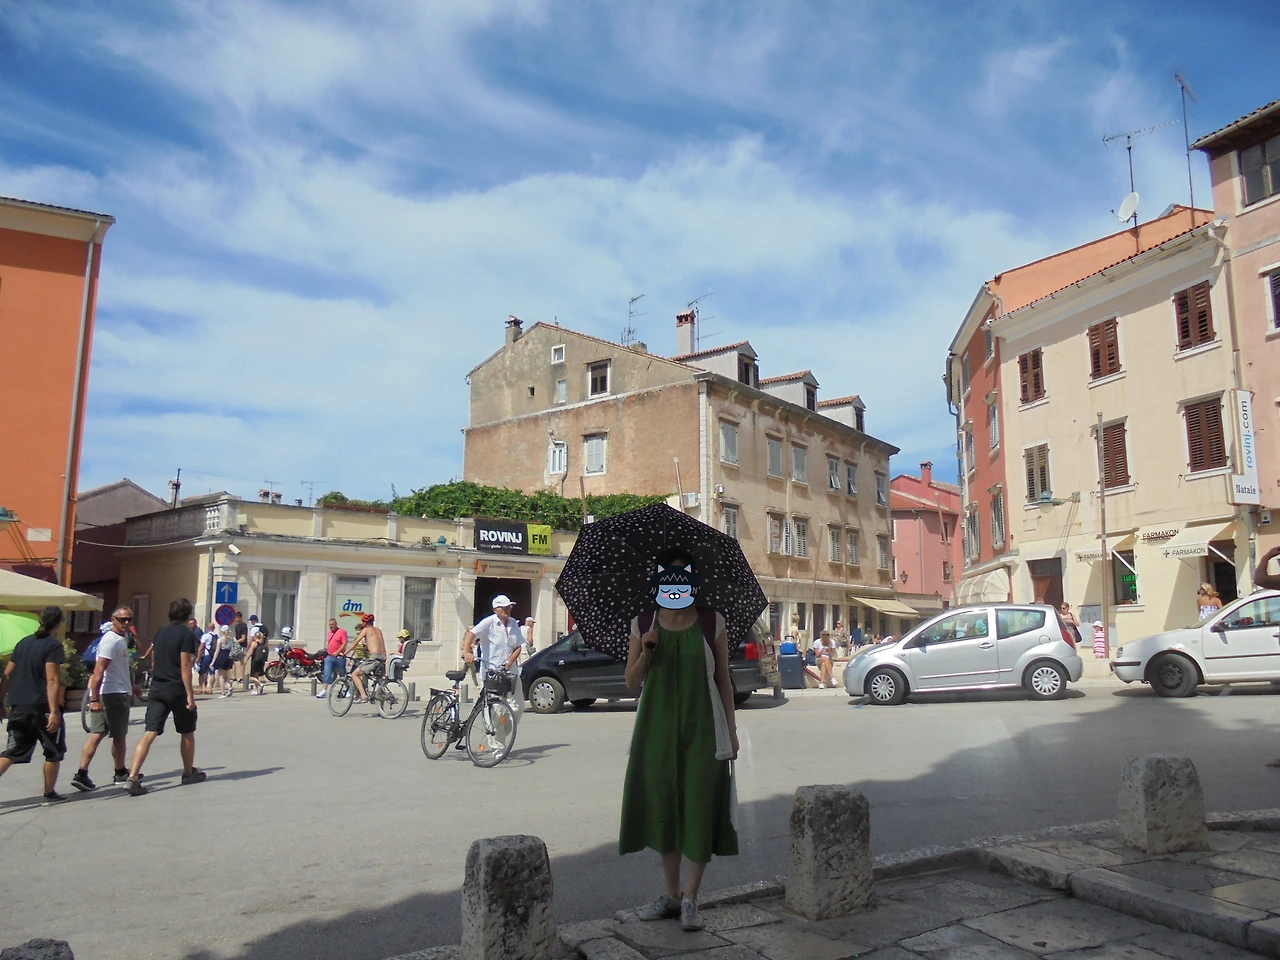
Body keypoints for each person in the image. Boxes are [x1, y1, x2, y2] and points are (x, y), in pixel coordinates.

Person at [621, 552, 737, 933]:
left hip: (703, 724)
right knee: (664, 806)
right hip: (655, 729)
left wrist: (732, 732)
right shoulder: (643, 623)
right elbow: (631, 683)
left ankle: (691, 897)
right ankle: (671, 894)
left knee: (698, 805)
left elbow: (723, 678)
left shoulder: (710, 621)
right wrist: (648, 650)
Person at [122, 598, 205, 796]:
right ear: (188, 615)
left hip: (158, 687)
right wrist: (190, 695)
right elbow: (185, 665)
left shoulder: (161, 632)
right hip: (176, 688)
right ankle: (187, 772)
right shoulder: (186, 634)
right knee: (186, 731)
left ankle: (133, 776)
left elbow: (154, 658)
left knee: (150, 731)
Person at [0, 606, 68, 804]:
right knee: (53, 752)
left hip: (18, 705)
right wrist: (54, 711)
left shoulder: (22, 644)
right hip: (41, 706)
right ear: (58, 623)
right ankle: (49, 792)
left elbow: (7, 674)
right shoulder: (53, 645)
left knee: (13, 751)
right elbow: (53, 679)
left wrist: (1, 701)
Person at [71, 606, 135, 791]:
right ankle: (120, 771)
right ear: (112, 620)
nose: (126, 623)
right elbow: (99, 671)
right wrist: (94, 699)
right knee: (119, 735)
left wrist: (133, 686)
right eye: (122, 619)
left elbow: (116, 669)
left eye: (129, 619)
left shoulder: (118, 640)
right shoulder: (112, 641)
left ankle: (82, 773)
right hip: (113, 694)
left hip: (114, 690)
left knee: (98, 733)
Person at [463, 596, 525, 718]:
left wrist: (509, 662)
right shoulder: (489, 622)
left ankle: (507, 728)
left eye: (509, 607)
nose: (508, 610)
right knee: (495, 710)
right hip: (492, 672)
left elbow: (518, 646)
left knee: (518, 706)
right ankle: (494, 734)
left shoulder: (513, 623)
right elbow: (471, 634)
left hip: (511, 671)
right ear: (496, 609)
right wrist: (467, 652)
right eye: (504, 608)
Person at [347, 613, 385, 703]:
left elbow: (355, 643)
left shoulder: (366, 630)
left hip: (374, 657)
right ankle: (382, 709)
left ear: (364, 623)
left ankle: (363, 696)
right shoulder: (379, 631)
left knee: (354, 675)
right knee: (379, 681)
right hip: (383, 657)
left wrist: (344, 653)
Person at [319, 618, 348, 699]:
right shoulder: (329, 633)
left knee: (342, 674)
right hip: (330, 656)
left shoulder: (341, 631)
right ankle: (324, 691)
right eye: (329, 625)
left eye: (332, 625)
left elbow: (344, 643)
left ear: (336, 624)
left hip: (339, 657)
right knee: (326, 674)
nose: (330, 627)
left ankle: (347, 690)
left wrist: (338, 652)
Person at [212, 624, 235, 698]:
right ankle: (229, 686)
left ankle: (223, 692)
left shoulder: (220, 640)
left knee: (221, 676)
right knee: (226, 675)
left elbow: (217, 651)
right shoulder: (231, 639)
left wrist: (213, 662)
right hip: (229, 657)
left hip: (222, 657)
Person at [246, 625, 269, 695]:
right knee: (256, 676)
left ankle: (260, 684)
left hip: (255, 661)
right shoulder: (263, 644)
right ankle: (255, 690)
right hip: (261, 662)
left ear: (255, 637)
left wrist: (246, 659)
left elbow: (250, 652)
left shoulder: (254, 643)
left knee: (252, 677)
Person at [195, 622, 216, 695]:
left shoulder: (205, 636)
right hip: (213, 656)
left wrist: (198, 657)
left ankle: (201, 688)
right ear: (214, 628)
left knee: (201, 672)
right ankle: (210, 689)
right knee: (212, 672)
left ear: (208, 628)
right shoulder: (217, 636)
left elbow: (201, 647)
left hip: (206, 656)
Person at [232, 611, 249, 681]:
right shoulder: (236, 626)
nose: (236, 619)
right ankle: (234, 676)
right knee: (233, 661)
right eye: (235, 618)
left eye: (237, 618)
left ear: (240, 617)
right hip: (236, 645)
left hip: (242, 646)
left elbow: (243, 638)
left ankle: (241, 677)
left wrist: (237, 641)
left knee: (242, 661)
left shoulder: (243, 626)